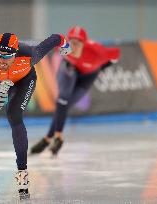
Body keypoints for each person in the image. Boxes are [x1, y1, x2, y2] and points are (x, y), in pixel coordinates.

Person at [0, 32, 71, 200]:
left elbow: (55, 38)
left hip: (24, 82)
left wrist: (66, 46)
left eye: (7, 56)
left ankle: (22, 172)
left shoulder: (30, 55)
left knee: (14, 114)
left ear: (16, 53)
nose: (2, 61)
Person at [30, 26, 120, 156]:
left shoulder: (98, 52)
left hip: (88, 76)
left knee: (66, 105)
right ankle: (58, 137)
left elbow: (116, 53)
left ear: (85, 44)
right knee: (62, 100)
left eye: (78, 44)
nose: (74, 47)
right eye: (72, 42)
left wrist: (103, 67)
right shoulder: (63, 46)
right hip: (70, 68)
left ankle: (47, 139)